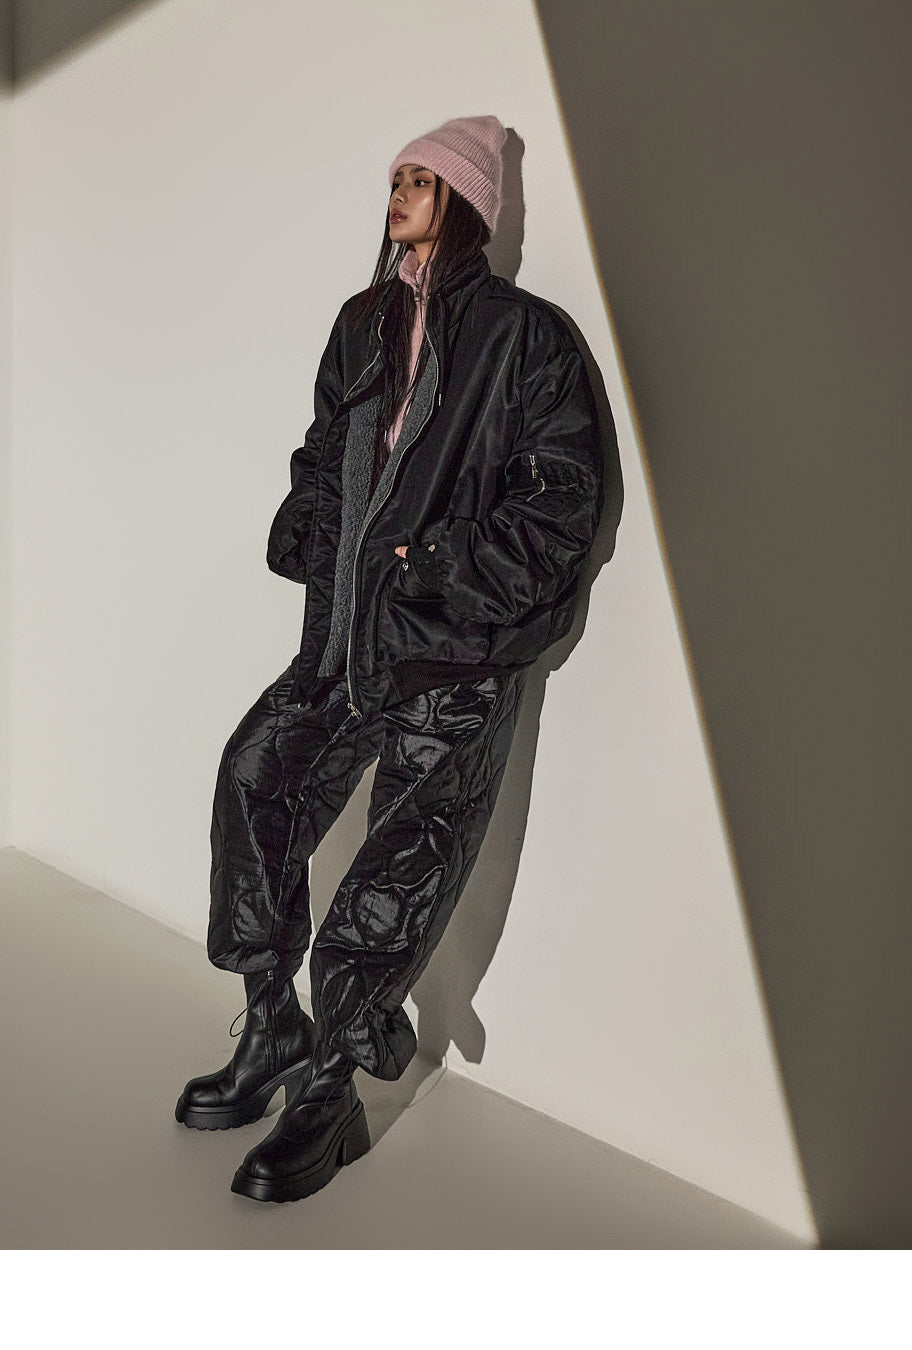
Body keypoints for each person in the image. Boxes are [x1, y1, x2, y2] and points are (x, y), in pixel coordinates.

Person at [174, 115, 606, 1204]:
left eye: (424, 178)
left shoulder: (527, 340)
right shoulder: (361, 322)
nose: (401, 191)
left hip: (452, 661)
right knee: (254, 780)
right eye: (397, 176)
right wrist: (310, 529)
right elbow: (327, 451)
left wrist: (438, 564)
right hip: (346, 644)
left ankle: (331, 1090)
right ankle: (271, 1026)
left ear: (468, 202)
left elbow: (562, 510)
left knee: (390, 878)